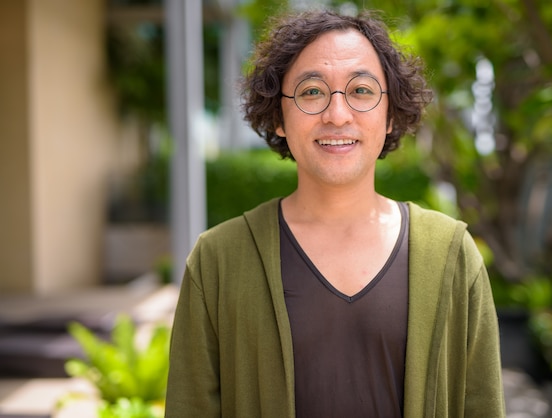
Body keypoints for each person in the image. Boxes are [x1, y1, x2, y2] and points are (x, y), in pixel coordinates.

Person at [165, 9, 505, 418]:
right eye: (311, 92)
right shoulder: (219, 260)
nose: (337, 115)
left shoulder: (451, 255)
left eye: (361, 90)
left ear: (391, 112)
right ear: (278, 118)